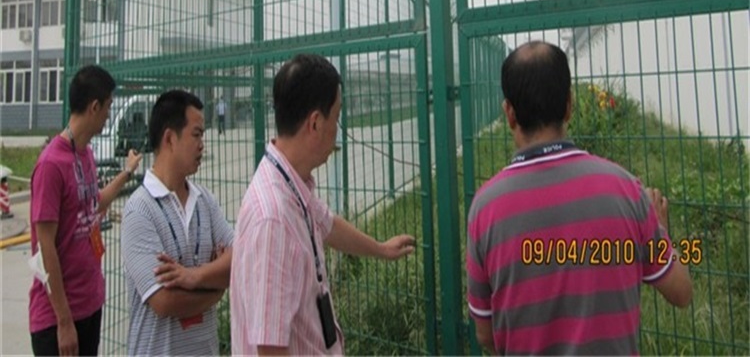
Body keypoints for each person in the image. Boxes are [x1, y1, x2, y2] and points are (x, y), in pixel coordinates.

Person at [466, 41, 693, 355]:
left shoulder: (485, 209)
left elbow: (485, 333)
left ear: (509, 113)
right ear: (569, 105)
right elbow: (682, 292)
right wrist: (662, 232)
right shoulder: (626, 190)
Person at [230, 53, 416, 355]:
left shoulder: (292, 184)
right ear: (315, 123)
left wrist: (381, 249)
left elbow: (328, 224)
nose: (338, 129)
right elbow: (270, 348)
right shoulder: (273, 219)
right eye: (336, 116)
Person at [29, 65, 142, 357]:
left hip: (89, 305)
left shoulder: (86, 155)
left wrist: (127, 172)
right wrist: (64, 321)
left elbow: (95, 204)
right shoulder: (51, 165)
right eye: (108, 107)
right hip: (58, 319)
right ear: (94, 107)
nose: (109, 115)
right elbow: (45, 246)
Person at [120, 89, 233, 356]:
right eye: (196, 134)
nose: (202, 144)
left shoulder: (205, 200)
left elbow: (239, 258)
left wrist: (193, 276)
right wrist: (217, 287)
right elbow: (164, 301)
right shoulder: (140, 209)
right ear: (170, 138)